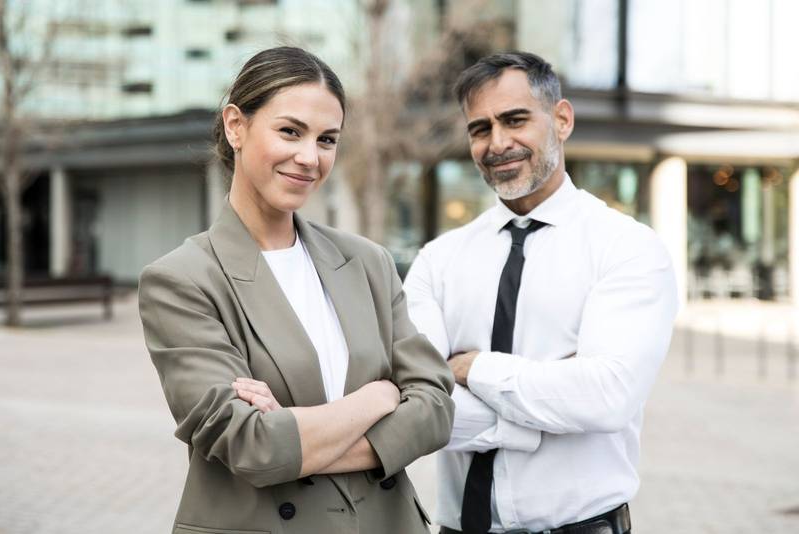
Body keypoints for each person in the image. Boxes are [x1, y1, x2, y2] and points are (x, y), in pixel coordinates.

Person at [138, 47, 454, 534]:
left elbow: (434, 407)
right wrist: (380, 396)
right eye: (290, 131)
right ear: (235, 126)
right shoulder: (182, 280)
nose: (309, 157)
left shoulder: (367, 262)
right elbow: (253, 447)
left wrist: (296, 435)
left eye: (327, 139)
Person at [404, 51, 678, 534]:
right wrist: (539, 411)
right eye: (480, 128)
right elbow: (418, 401)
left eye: (515, 120)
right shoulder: (438, 260)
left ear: (561, 119)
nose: (498, 143)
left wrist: (474, 368)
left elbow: (606, 397)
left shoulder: (626, 248)